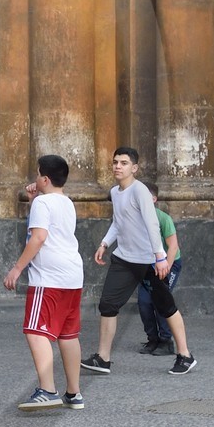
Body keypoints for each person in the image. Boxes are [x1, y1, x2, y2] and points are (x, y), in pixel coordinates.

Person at [83, 147, 197, 376]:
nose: (118, 166)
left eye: (124, 163)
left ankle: (185, 355)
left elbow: (152, 224)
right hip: (124, 259)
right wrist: (104, 244)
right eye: (115, 162)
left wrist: (160, 257)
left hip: (149, 261)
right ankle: (103, 358)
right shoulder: (116, 192)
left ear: (134, 168)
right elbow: (118, 222)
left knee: (165, 306)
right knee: (107, 305)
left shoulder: (140, 191)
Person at [3, 155, 85, 411]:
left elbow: (38, 237)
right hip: (72, 275)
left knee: (35, 331)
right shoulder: (66, 202)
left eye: (37, 174)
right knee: (67, 334)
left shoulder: (43, 203)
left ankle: (48, 389)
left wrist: (17, 268)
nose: (34, 179)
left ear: (45, 179)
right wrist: (33, 200)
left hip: (49, 277)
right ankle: (74, 393)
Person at [135, 183, 181, 356]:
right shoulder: (137, 219)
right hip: (148, 265)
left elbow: (173, 246)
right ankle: (152, 339)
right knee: (144, 302)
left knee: (160, 300)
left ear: (153, 199)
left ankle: (166, 340)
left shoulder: (163, 218)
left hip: (169, 263)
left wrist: (166, 268)